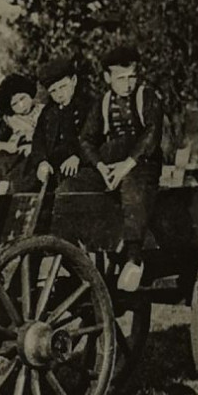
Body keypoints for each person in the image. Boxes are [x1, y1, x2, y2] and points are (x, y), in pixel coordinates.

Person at [78, 43, 165, 293]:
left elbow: (152, 134)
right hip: (111, 164)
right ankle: (76, 247)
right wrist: (101, 167)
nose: (127, 84)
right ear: (107, 77)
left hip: (142, 164)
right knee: (76, 185)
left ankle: (134, 258)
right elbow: (86, 139)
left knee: (133, 189)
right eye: (120, 78)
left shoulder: (147, 96)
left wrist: (127, 166)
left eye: (132, 77)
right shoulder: (103, 103)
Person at [32, 55, 95, 187]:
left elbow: (93, 137)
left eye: (63, 87)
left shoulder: (88, 106)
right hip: (51, 166)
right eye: (53, 91)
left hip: (79, 164)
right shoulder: (48, 112)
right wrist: (41, 161)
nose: (60, 94)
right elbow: (38, 141)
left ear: (74, 80)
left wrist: (78, 156)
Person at [0, 72, 42, 190]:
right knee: (2, 157)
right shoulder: (11, 120)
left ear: (29, 93)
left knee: (28, 164)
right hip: (14, 152)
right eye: (15, 104)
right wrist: (7, 146)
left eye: (22, 98)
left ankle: (9, 186)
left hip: (35, 153)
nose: (21, 105)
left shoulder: (43, 111)